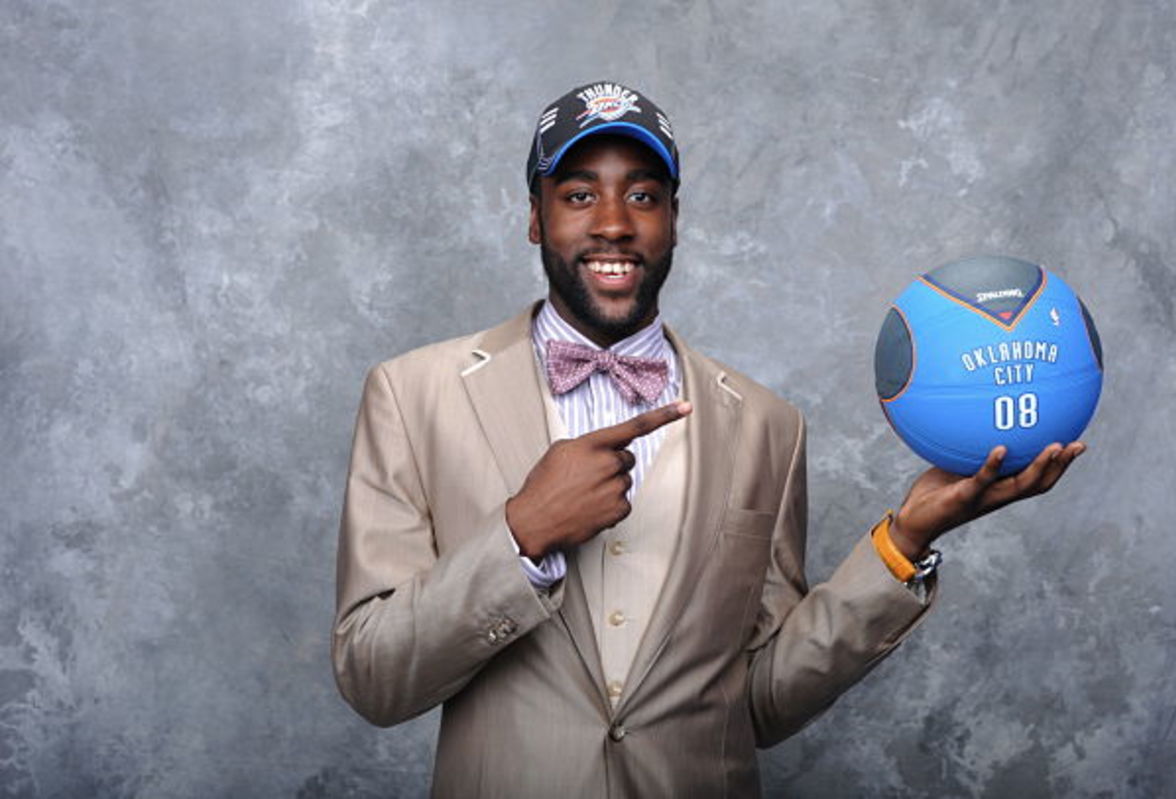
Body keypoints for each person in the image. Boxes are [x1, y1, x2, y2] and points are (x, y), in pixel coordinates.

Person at [332, 81, 1085, 798]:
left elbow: (758, 703)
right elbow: (373, 675)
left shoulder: (767, 426)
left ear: (673, 219)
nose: (614, 223)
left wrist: (904, 540)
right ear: (535, 216)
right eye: (579, 194)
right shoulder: (413, 394)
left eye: (643, 196)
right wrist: (520, 536)